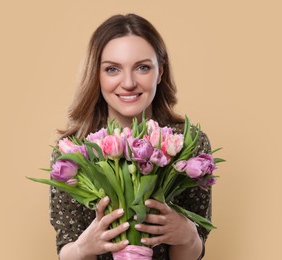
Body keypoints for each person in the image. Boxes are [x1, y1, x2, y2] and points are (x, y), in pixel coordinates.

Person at [49, 13, 212, 260]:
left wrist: (187, 234)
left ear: (160, 72)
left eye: (142, 67)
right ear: (97, 74)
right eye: (112, 69)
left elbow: (190, 253)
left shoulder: (186, 143)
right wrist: (84, 247)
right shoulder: (74, 150)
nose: (128, 83)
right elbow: (66, 248)